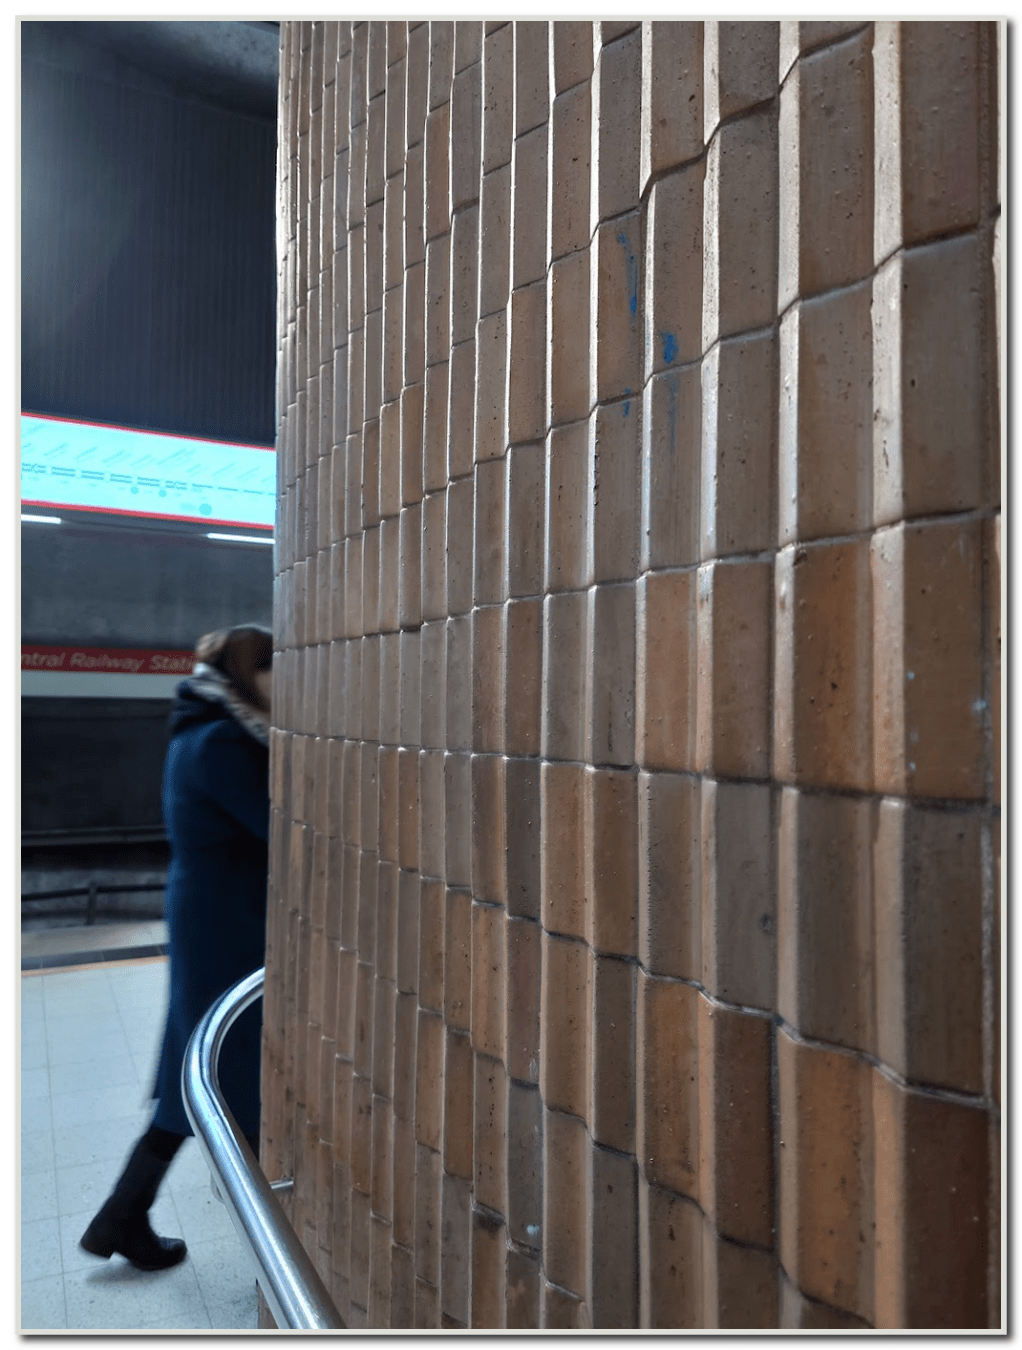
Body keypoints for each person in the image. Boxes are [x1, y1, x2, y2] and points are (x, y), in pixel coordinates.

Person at [80, 624, 273, 1271]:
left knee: (199, 1060)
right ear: (253, 673)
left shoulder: (208, 725)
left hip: (213, 909)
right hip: (226, 918)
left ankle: (122, 1216)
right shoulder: (223, 738)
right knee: (222, 1060)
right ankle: (273, 1225)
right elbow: (277, 825)